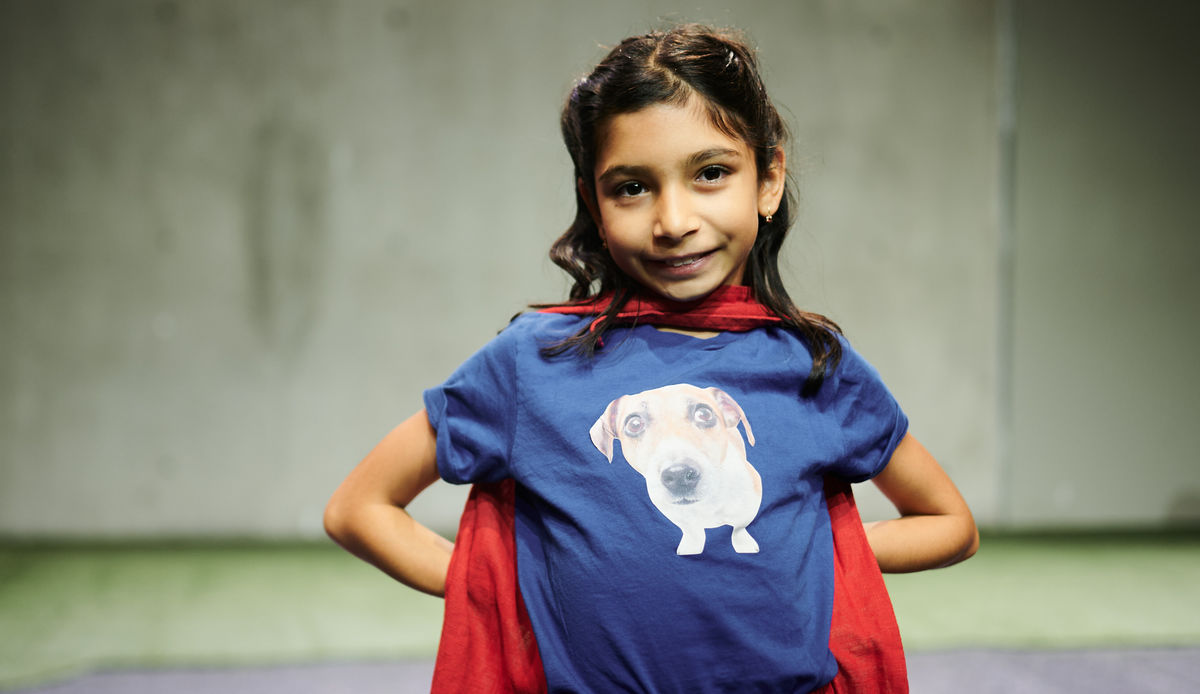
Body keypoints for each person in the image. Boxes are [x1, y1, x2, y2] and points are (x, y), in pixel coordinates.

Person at [325, 24, 978, 693]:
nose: (673, 221)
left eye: (711, 173)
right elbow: (359, 508)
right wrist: (498, 590)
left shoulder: (816, 366)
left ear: (769, 180)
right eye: (632, 187)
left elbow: (949, 523)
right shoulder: (531, 365)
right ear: (594, 202)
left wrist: (817, 553)